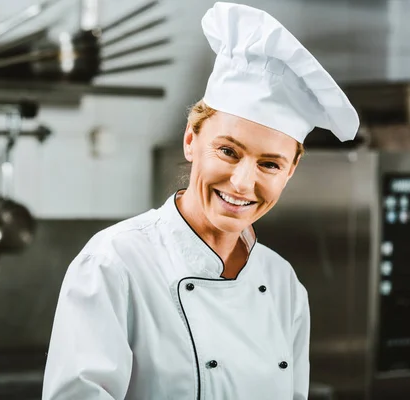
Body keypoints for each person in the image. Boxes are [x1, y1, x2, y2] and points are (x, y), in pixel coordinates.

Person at [42, 2, 359, 400]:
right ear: (192, 139)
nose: (243, 183)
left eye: (269, 164)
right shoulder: (114, 263)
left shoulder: (283, 284)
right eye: (228, 151)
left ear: (290, 171)